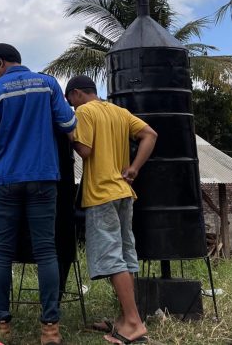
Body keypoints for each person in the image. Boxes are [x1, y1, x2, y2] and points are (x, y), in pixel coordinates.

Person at [0, 43, 76, 345]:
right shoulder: (47, 83)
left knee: (2, 252)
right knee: (46, 249)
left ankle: (3, 326)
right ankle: (49, 330)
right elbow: (69, 122)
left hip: (5, 178)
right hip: (44, 175)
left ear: (0, 63)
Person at [65, 75, 157, 345]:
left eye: (70, 100)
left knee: (112, 257)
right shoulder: (119, 111)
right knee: (126, 255)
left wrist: (68, 132)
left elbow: (85, 150)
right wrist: (134, 168)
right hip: (124, 192)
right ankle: (125, 317)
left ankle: (133, 323)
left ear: (77, 93)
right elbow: (150, 134)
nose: (71, 106)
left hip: (102, 194)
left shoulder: (84, 111)